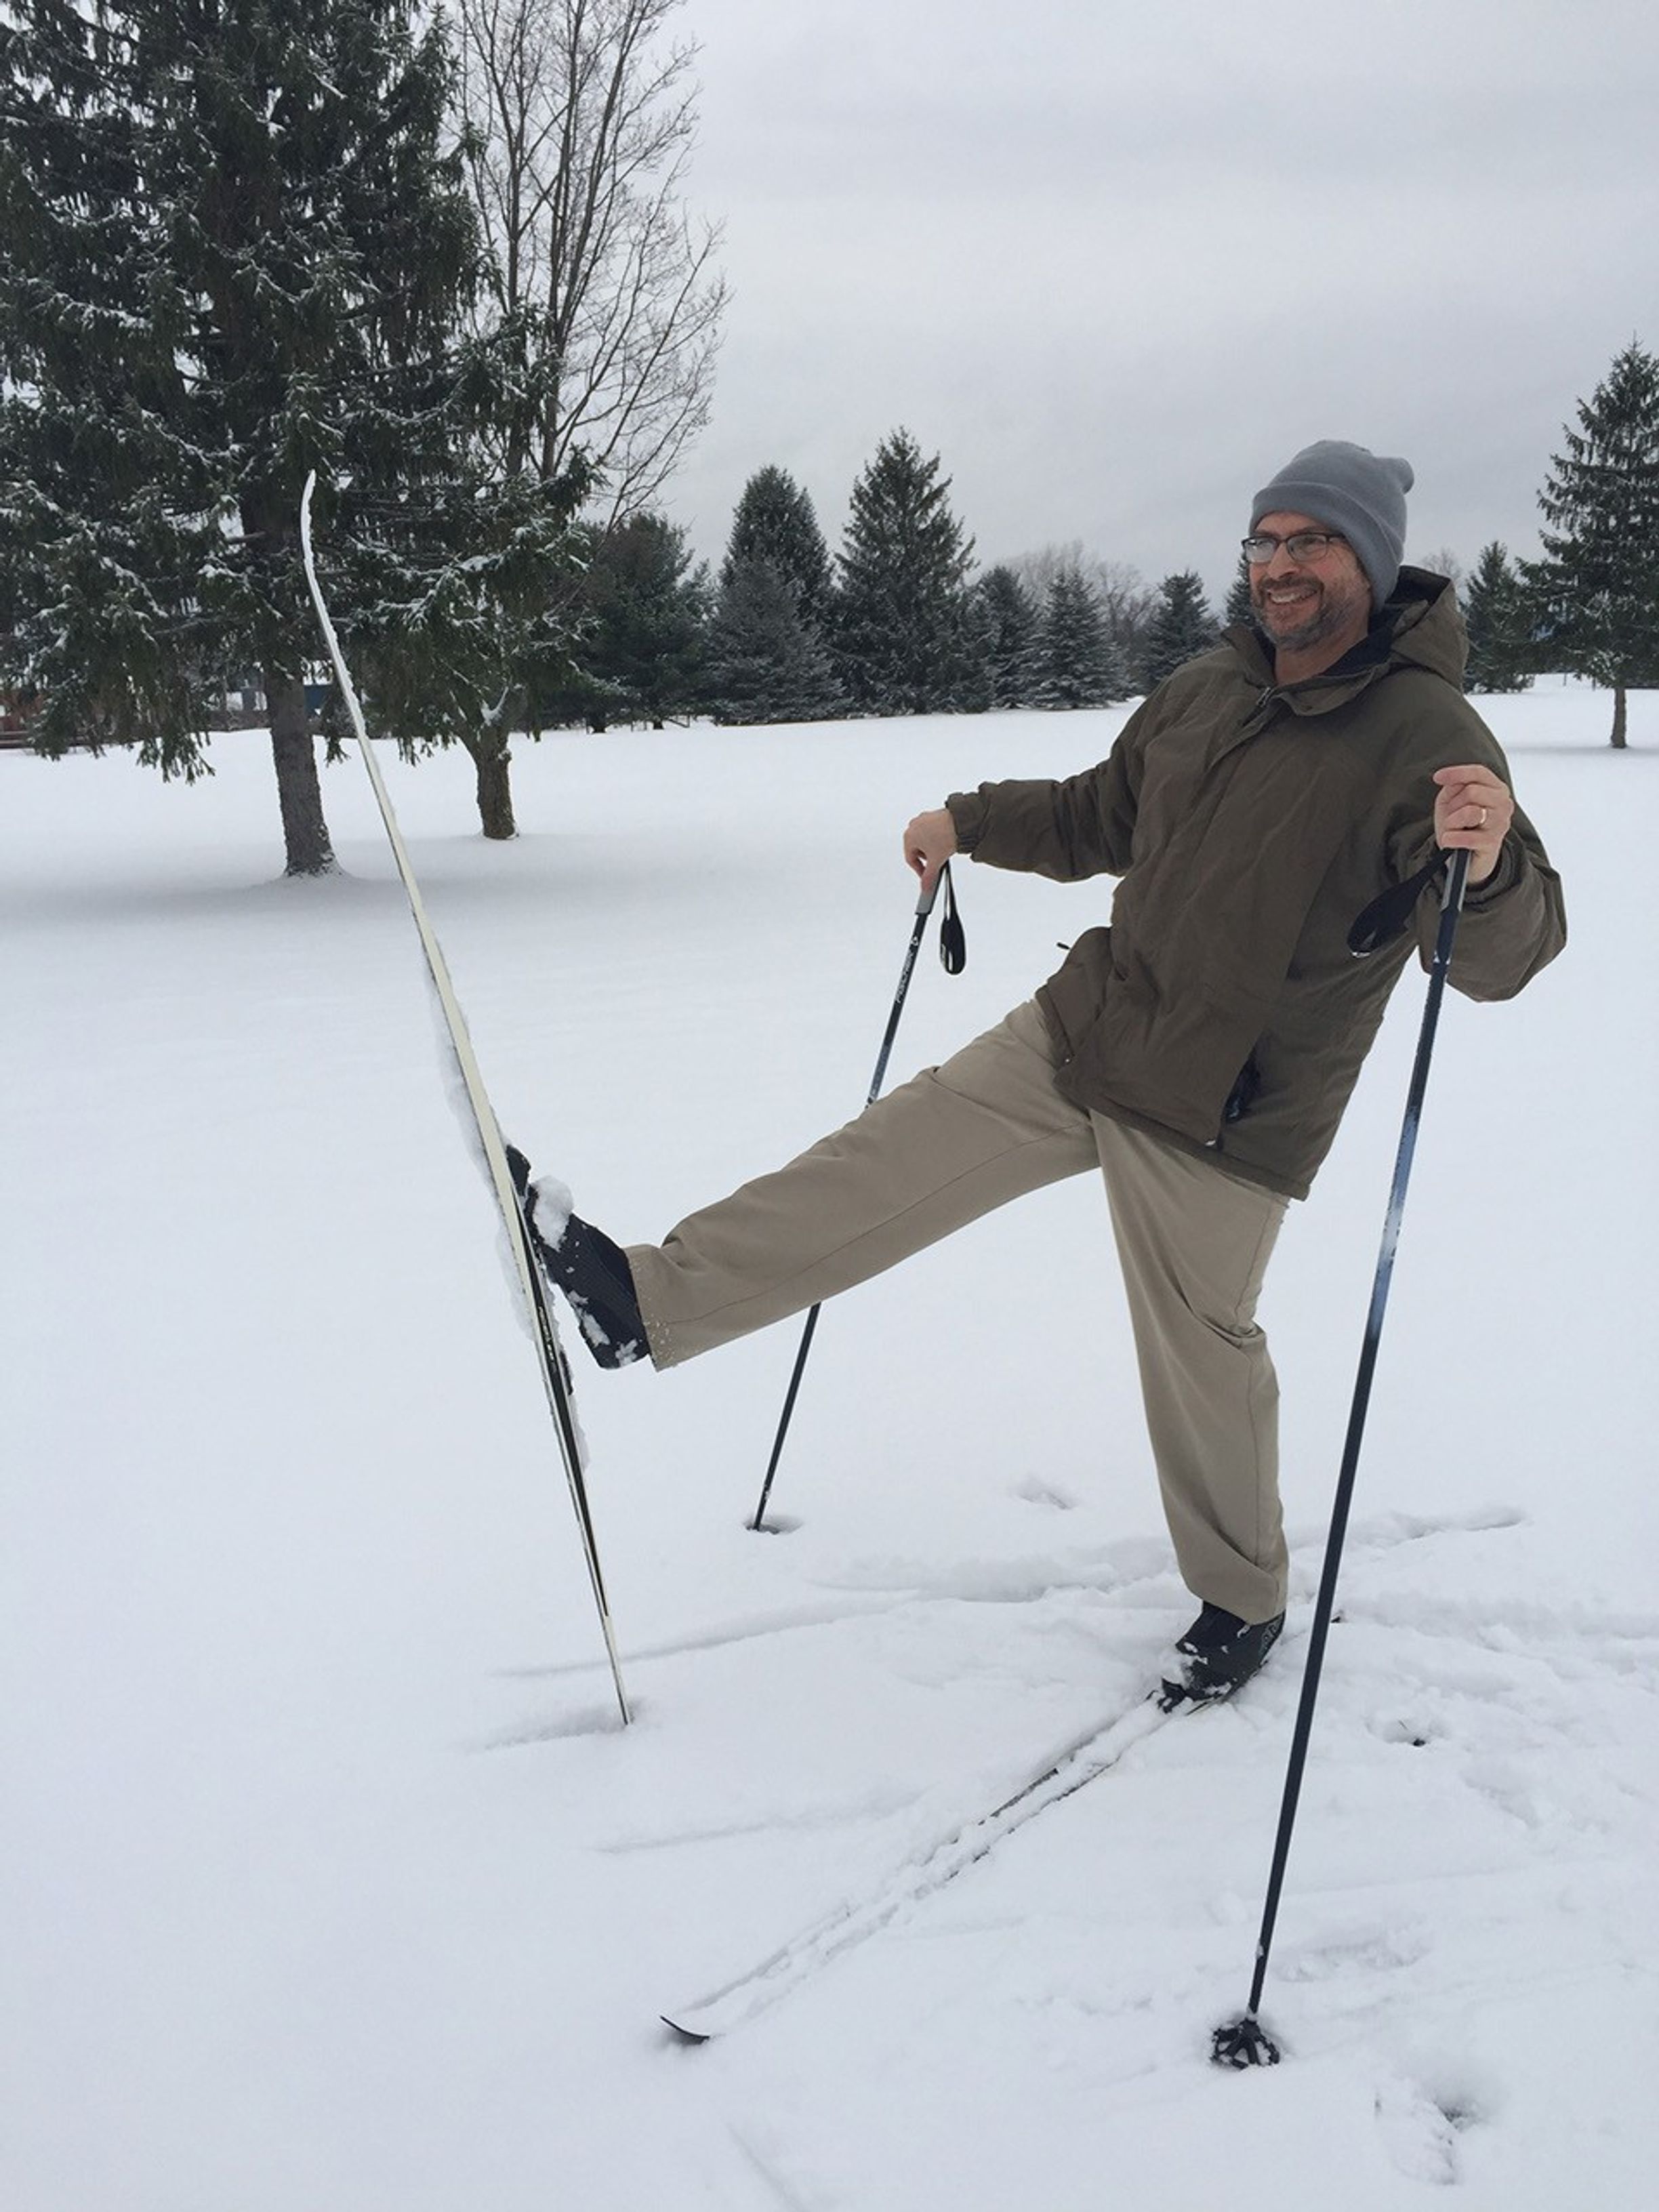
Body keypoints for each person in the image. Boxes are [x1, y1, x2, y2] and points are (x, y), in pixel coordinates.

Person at [510, 440, 1565, 1708]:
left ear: (1373, 564)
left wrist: (1490, 866)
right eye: (1267, 541)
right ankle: (644, 1301)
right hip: (1094, 1028)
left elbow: (1502, 956)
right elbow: (1097, 813)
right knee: (880, 1161)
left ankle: (1244, 1595)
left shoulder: (1428, 736)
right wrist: (968, 821)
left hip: (1229, 1110)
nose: (1281, 566)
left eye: (1314, 543)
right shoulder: (1209, 686)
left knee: (1201, 1355)